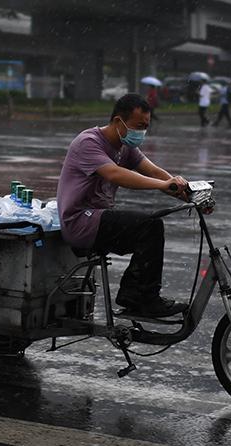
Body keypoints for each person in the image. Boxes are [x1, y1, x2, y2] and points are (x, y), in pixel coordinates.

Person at [57, 93, 190, 318]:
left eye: (146, 127)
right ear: (119, 121)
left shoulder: (125, 146)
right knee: (149, 226)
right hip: (80, 221)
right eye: (139, 126)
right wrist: (163, 184)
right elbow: (116, 174)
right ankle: (140, 298)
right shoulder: (88, 142)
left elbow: (153, 170)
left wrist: (186, 193)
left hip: (99, 219)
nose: (142, 132)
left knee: (149, 230)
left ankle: (138, 296)